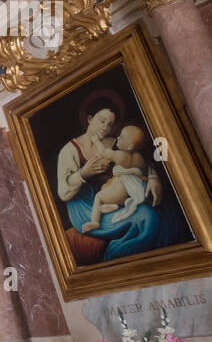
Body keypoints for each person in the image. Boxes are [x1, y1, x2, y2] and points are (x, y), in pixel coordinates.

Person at [56, 102, 174, 260]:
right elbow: (63, 193)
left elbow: (138, 162)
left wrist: (153, 177)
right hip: (86, 209)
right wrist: (83, 173)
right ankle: (118, 254)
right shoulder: (70, 150)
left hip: (117, 198)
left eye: (110, 124)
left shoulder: (115, 143)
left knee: (167, 210)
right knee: (147, 216)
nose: (106, 127)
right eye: (102, 121)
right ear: (90, 118)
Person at [80, 125, 157, 232]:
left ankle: (95, 222)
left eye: (122, 137)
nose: (118, 138)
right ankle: (114, 206)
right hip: (134, 191)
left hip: (122, 187)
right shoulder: (140, 158)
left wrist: (97, 141)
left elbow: (104, 152)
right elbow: (143, 174)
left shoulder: (121, 155)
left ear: (130, 146)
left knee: (98, 197)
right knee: (108, 191)